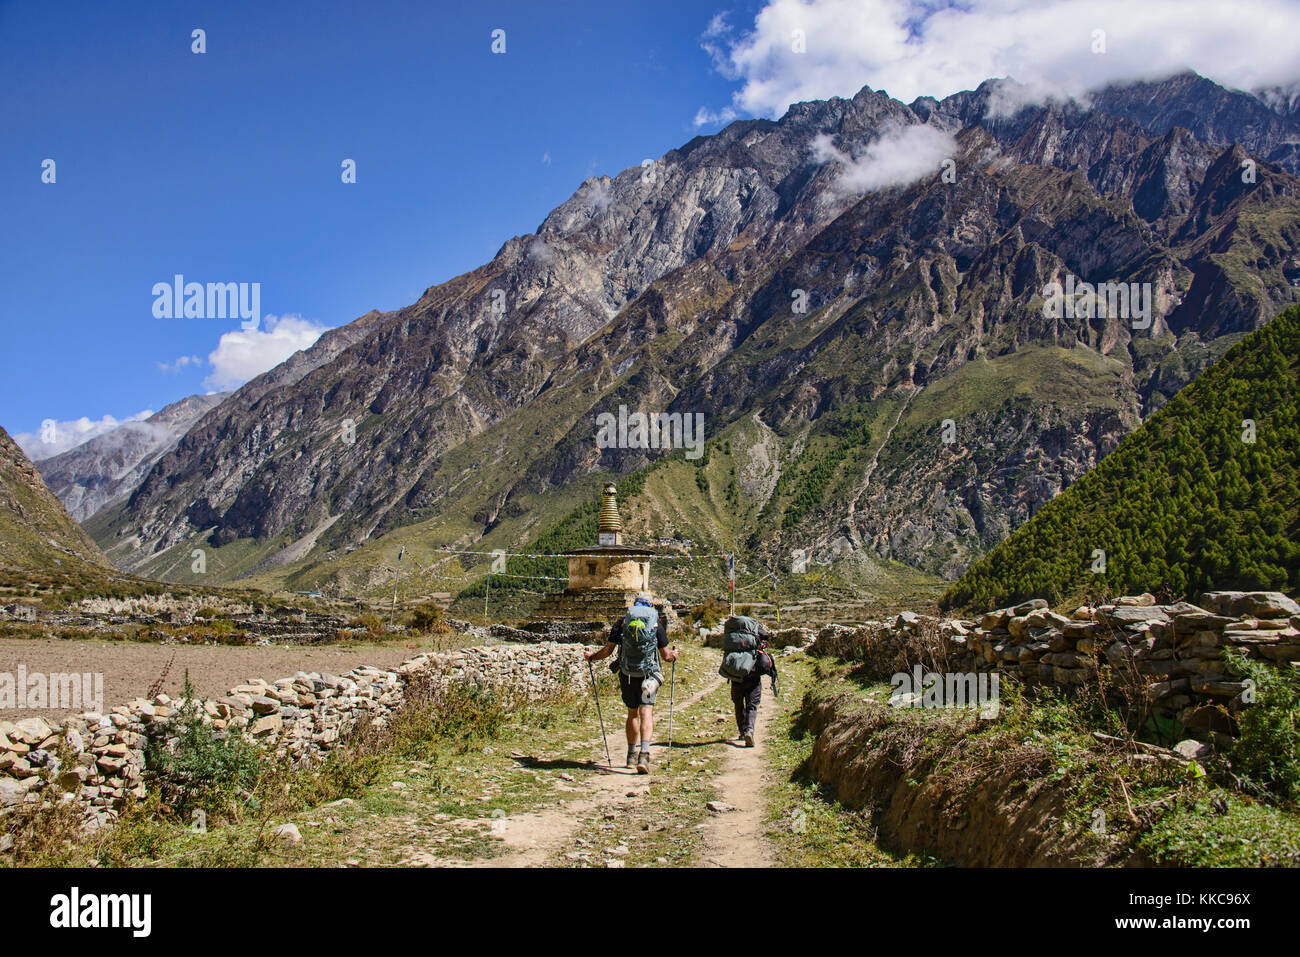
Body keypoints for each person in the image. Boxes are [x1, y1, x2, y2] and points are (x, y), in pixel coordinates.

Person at [584, 593, 678, 774]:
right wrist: (674, 656)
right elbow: (666, 656)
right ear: (650, 606)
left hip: (627, 673)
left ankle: (630, 756)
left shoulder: (622, 622)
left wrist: (591, 657)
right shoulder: (655, 623)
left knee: (632, 713)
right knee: (646, 712)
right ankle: (644, 754)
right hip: (648, 675)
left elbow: (608, 650)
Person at [720, 617, 778, 748]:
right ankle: (749, 730)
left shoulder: (732, 634)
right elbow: (765, 637)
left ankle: (742, 731)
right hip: (752, 673)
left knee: (738, 703)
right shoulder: (756, 631)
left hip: (736, 674)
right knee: (752, 704)